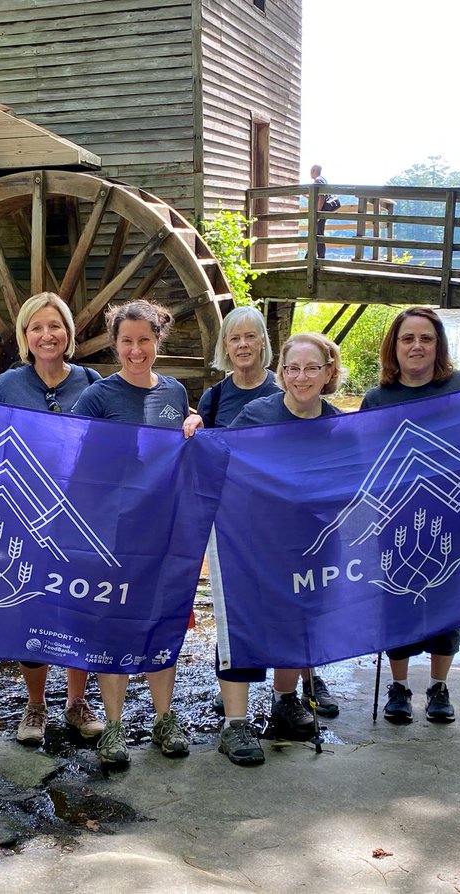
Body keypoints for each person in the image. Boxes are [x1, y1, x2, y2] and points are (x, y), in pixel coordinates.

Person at [198, 309, 339, 767]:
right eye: (294, 368)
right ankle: (235, 724)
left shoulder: (338, 424)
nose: (302, 377)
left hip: (309, 538)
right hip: (253, 537)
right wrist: (193, 432)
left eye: (311, 368)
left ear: (327, 373)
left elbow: (350, 484)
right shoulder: (257, 413)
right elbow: (221, 461)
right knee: (242, 618)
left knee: (299, 615)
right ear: (282, 373)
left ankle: (285, 697)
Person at [71, 299, 203, 768]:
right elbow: (75, 465)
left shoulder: (173, 392)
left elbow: (177, 450)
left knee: (162, 621)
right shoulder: (98, 397)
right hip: (113, 533)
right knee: (112, 625)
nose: (135, 349)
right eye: (126, 341)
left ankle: (165, 719)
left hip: (163, 529)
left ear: (157, 340)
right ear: (115, 344)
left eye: (144, 340)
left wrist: (194, 426)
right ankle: (114, 726)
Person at [360, 307, 460, 725]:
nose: (417, 346)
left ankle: (438, 685)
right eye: (408, 338)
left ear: (439, 346)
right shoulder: (378, 398)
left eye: (426, 339)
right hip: (396, 513)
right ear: (394, 347)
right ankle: (399, 686)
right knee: (397, 597)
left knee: (448, 595)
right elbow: (359, 456)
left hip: (458, 512)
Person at [0, 292, 106, 746]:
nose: (46, 335)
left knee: (79, 606)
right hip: (26, 514)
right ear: (24, 336)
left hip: (81, 515)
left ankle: (76, 702)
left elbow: (115, 440)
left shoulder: (92, 381)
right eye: (35, 328)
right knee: (31, 607)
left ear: (69, 334)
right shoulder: (9, 385)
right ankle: (35, 705)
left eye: (54, 326)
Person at [310, 164, 331, 260]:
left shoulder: (318, 180)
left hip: (320, 212)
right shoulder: (323, 180)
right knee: (317, 233)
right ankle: (311, 256)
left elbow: (321, 197)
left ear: (314, 171)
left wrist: (317, 213)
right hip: (323, 211)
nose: (310, 173)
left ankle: (320, 257)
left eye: (311, 171)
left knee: (318, 233)